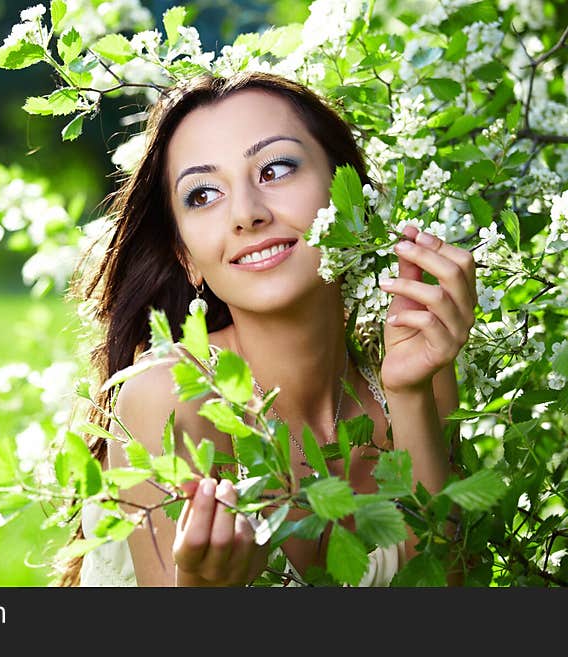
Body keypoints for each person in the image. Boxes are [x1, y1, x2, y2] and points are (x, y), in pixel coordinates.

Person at [59, 72, 477, 587]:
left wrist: (410, 393)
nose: (246, 215)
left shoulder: (415, 363)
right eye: (203, 195)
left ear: (354, 196)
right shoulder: (173, 400)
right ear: (185, 256)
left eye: (275, 169)